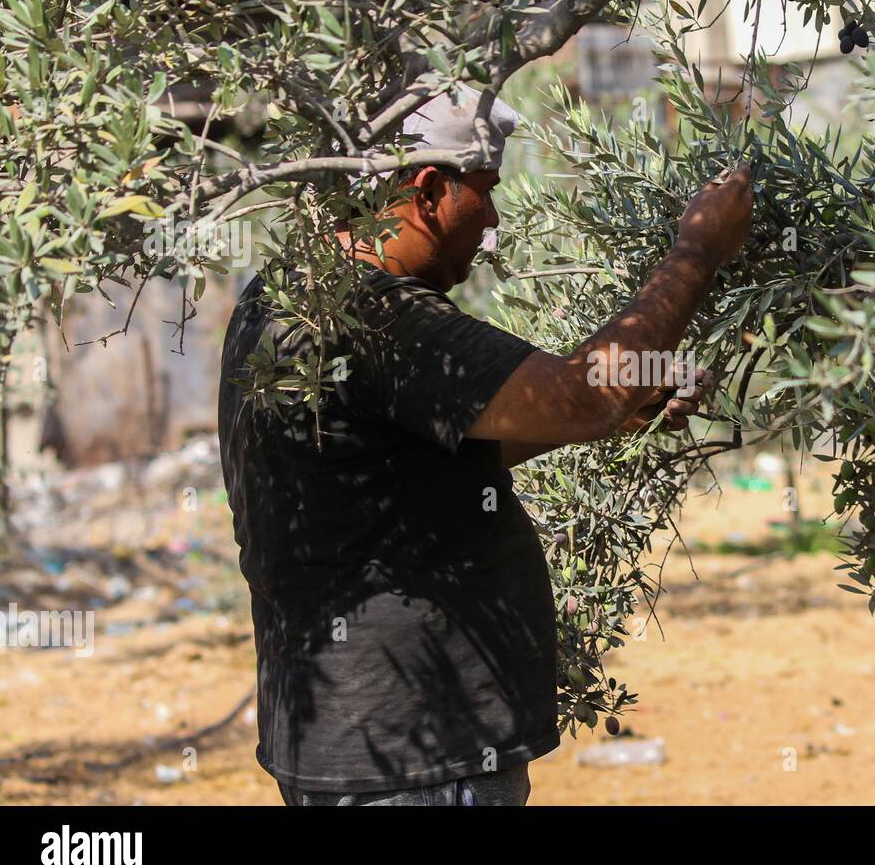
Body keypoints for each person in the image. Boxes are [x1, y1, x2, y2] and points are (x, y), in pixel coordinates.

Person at [217, 84, 754, 806]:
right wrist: (697, 251)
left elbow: (394, 472)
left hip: (357, 750)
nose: (492, 223)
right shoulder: (377, 318)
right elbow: (581, 391)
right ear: (430, 189)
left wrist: (611, 413)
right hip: (417, 762)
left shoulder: (285, 294)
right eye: (485, 192)